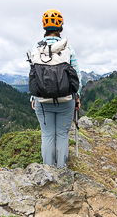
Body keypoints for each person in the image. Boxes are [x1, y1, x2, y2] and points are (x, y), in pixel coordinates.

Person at [30, 9, 82, 167]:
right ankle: (61, 170)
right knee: (62, 135)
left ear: (44, 27)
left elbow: (33, 75)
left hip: (43, 101)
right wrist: (77, 97)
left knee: (47, 135)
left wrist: (33, 97)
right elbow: (76, 76)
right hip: (66, 100)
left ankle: (47, 170)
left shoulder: (37, 48)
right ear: (61, 27)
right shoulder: (68, 49)